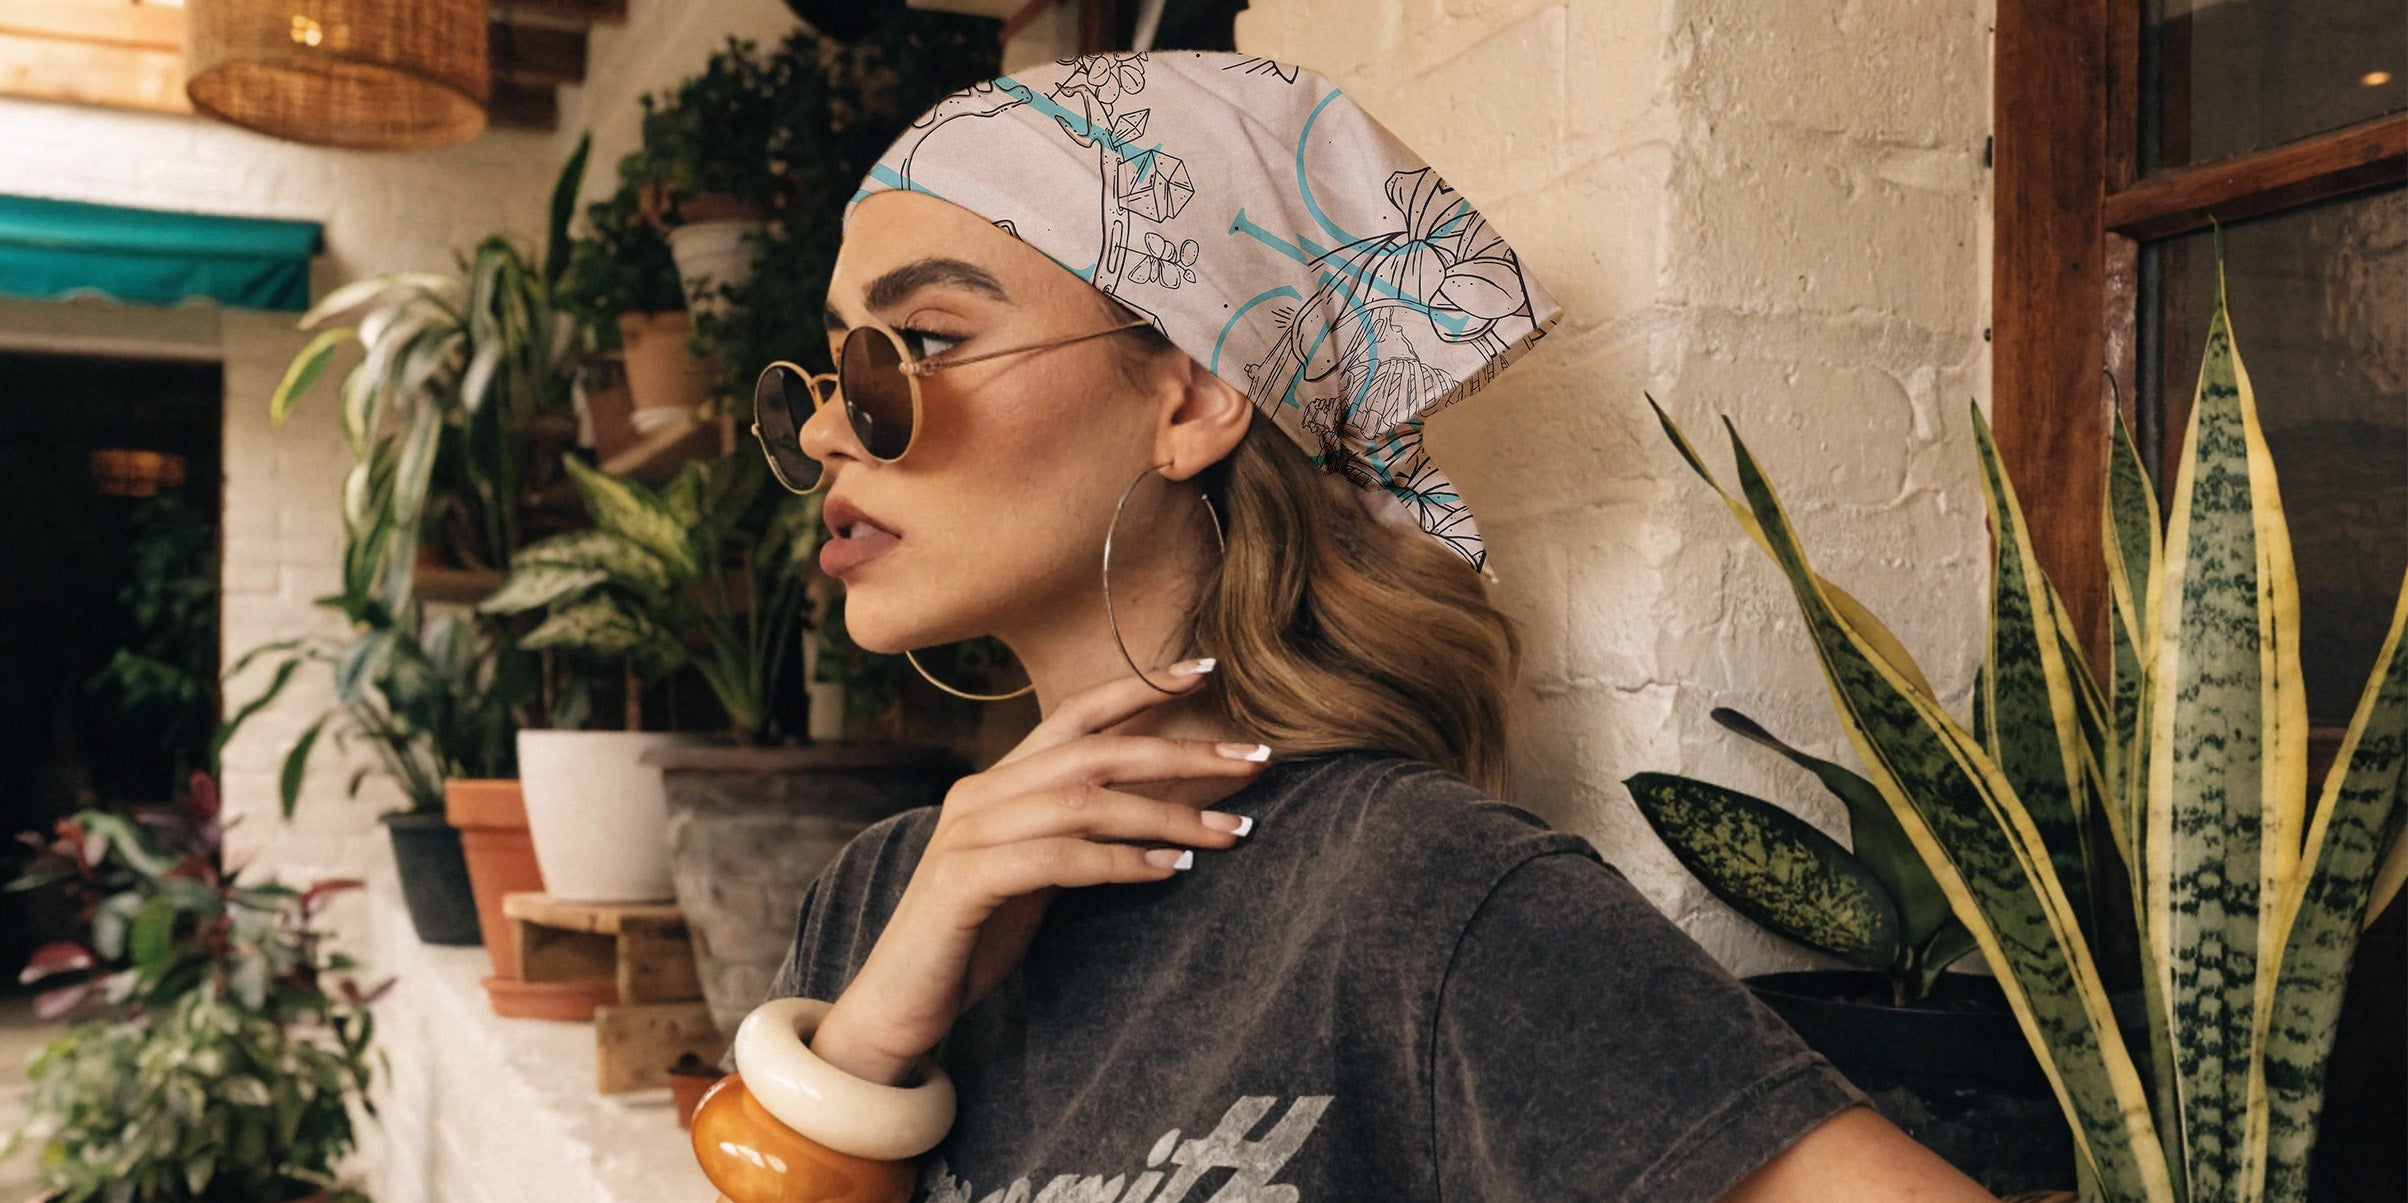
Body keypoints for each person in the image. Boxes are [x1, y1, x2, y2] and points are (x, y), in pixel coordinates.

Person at [702, 50, 1996, 1203]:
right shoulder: (886, 891)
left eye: (919, 342)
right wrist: (864, 1048)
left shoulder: (1420, 895)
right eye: (829, 371)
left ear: (1196, 395)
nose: (827, 428)